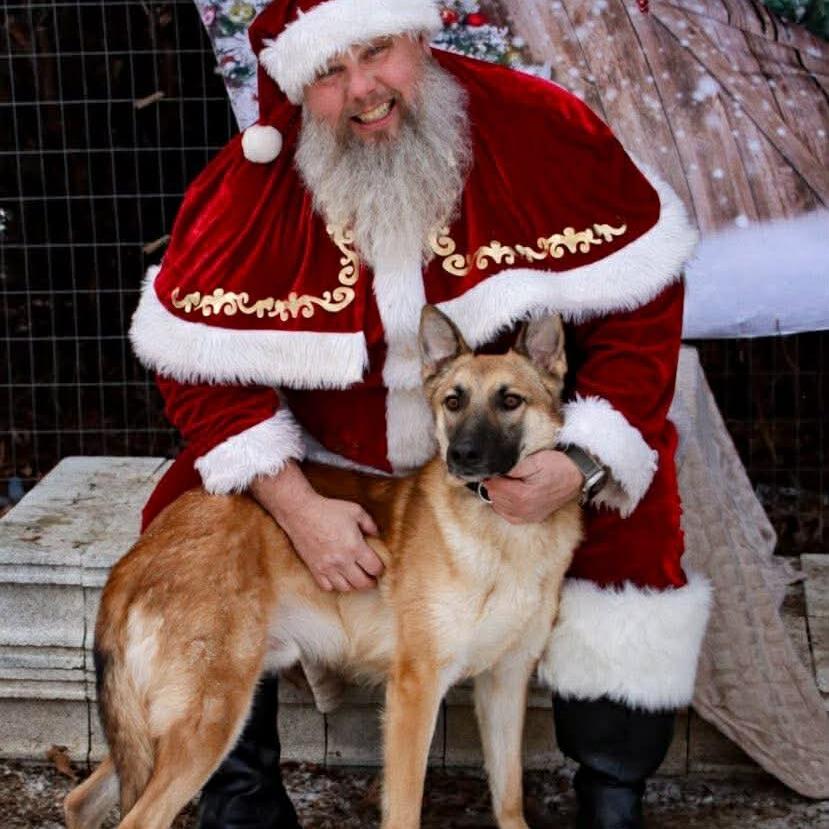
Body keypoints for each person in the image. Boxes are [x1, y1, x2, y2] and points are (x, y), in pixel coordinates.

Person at [128, 0, 711, 826]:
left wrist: (579, 458)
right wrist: (296, 505)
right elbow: (193, 365)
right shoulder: (253, 179)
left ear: (417, 37)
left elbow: (640, 311)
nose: (363, 89)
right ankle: (240, 803)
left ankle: (611, 795)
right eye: (329, 72)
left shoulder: (537, 126)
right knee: (184, 515)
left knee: (635, 523)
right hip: (331, 451)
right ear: (297, 87)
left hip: (507, 437)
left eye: (376, 51)